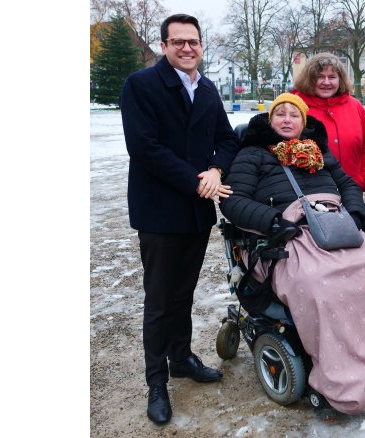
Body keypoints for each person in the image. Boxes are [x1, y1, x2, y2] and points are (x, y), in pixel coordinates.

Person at [220, 93, 365, 416]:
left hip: (334, 227)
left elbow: (348, 186)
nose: (287, 120)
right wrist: (274, 222)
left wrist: (355, 215)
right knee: (320, 286)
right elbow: (232, 202)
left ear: (304, 122)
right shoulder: (252, 155)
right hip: (284, 236)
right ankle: (336, 378)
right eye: (280, 114)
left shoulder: (319, 151)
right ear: (270, 120)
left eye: (294, 115)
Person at [120, 13, 239, 425]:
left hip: (195, 212)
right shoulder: (142, 85)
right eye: (178, 42)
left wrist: (216, 171)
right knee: (158, 301)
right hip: (159, 210)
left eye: (194, 42)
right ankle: (156, 381)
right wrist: (196, 180)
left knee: (183, 293)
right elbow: (145, 148)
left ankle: (181, 358)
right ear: (164, 45)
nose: (187, 48)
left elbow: (227, 138)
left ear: (201, 46)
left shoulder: (206, 89)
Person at [291, 53, 365, 192]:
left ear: (340, 80)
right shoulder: (294, 105)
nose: (327, 82)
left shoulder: (355, 106)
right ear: (309, 79)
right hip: (309, 193)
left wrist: (364, 178)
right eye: (320, 77)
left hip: (351, 191)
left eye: (332, 77)